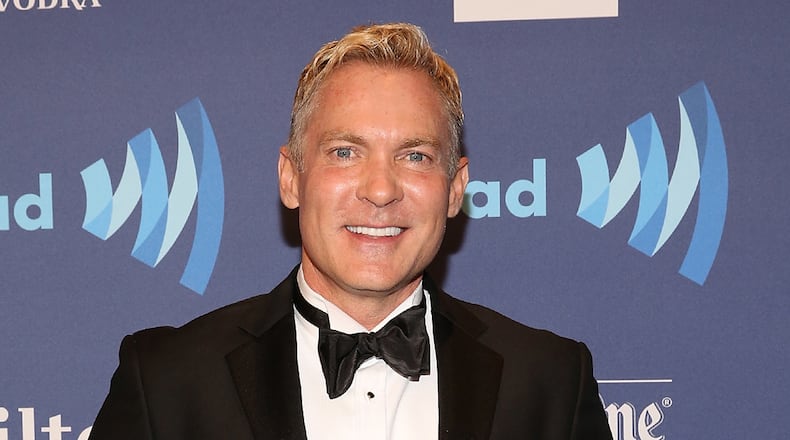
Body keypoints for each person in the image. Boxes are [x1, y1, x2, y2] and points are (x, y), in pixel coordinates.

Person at [88, 23, 612, 440]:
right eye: (345, 152)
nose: (381, 190)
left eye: (415, 156)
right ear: (291, 178)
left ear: (454, 188)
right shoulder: (166, 383)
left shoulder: (549, 383)